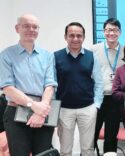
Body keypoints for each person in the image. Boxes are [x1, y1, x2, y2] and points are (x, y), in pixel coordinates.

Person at [0, 14, 58, 155]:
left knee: (43, 153)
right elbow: (7, 87)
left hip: (44, 112)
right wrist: (34, 106)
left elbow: (50, 85)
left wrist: (41, 109)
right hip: (15, 112)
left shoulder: (47, 56)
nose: (31, 29)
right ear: (17, 28)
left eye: (34, 27)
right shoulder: (6, 55)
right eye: (26, 26)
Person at [54, 22, 103, 156]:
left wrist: (96, 106)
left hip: (87, 108)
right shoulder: (55, 57)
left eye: (79, 36)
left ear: (84, 37)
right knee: (65, 149)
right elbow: (51, 85)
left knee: (88, 149)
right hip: (64, 110)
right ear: (65, 37)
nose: (75, 39)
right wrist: (54, 109)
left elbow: (99, 83)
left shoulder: (91, 56)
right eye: (71, 35)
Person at [90, 18, 124, 155]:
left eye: (115, 30)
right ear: (104, 32)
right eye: (109, 30)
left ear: (120, 32)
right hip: (97, 98)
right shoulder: (93, 49)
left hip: (115, 99)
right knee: (91, 134)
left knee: (111, 135)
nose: (112, 33)